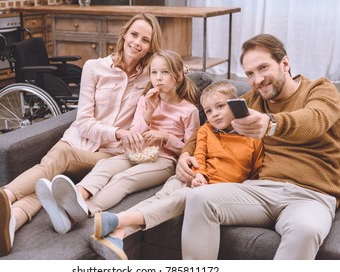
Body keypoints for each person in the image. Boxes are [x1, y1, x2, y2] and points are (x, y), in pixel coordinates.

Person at [0, 13, 162, 257]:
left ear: (150, 47)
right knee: (45, 184)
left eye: (145, 40)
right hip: (78, 140)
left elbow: (173, 71)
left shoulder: (150, 77)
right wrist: (119, 132)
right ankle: (12, 222)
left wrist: (179, 70)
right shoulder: (95, 67)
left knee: (57, 159)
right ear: (124, 34)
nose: (137, 43)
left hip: (105, 157)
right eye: (134, 35)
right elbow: (83, 122)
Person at [177, 33, 340, 260]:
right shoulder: (254, 100)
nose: (257, 80)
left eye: (263, 68)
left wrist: (271, 123)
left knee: (306, 229)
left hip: (312, 195)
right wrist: (185, 154)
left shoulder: (320, 89)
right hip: (262, 190)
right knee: (198, 198)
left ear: (285, 63)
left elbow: (315, 120)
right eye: (250, 74)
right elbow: (209, 126)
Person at [87, 81, 264, 260]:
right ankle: (118, 234)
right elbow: (199, 153)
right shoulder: (206, 130)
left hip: (215, 190)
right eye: (208, 111)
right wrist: (198, 174)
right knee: (162, 197)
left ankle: (118, 220)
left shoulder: (253, 139)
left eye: (220, 106)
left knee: (180, 198)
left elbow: (255, 174)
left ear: (235, 104)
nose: (214, 114)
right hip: (192, 176)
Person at [36, 50, 200, 240]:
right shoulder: (145, 100)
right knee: (104, 165)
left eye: (164, 72)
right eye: (154, 73)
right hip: (136, 152)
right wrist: (148, 112)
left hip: (163, 161)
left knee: (123, 179)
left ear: (178, 76)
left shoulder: (189, 111)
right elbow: (134, 134)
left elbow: (189, 149)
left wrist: (165, 137)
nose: (158, 78)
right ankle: (76, 196)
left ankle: (77, 214)